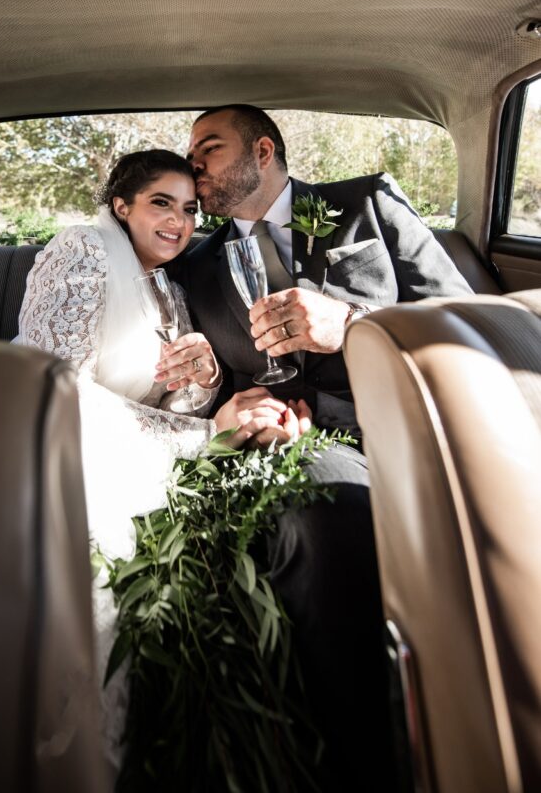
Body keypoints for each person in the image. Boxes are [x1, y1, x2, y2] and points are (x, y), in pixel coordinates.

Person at [159, 105, 473, 792]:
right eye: (190, 154)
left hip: (404, 422)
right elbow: (207, 381)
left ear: (263, 150)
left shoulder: (365, 204)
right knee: (318, 517)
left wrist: (354, 323)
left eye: (208, 147)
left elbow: (463, 320)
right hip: (294, 449)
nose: (194, 165)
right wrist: (230, 405)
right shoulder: (191, 265)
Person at [15, 147, 311, 771]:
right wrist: (204, 439)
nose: (179, 221)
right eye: (160, 203)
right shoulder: (81, 251)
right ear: (121, 206)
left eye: (189, 208)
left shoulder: (172, 291)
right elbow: (57, 384)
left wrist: (203, 381)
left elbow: (177, 395)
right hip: (40, 434)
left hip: (123, 441)